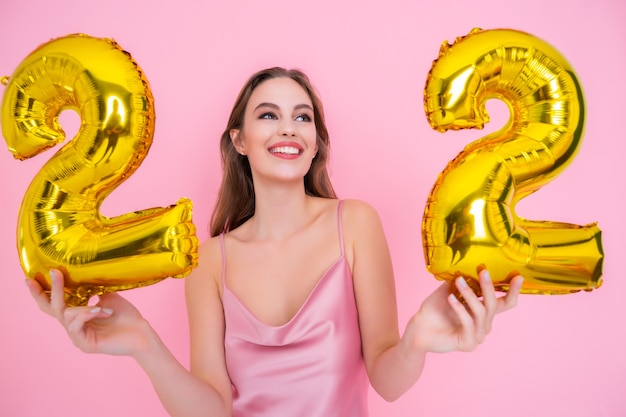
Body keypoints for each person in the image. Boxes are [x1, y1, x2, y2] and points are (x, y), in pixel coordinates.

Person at [27, 67, 524, 417]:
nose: (289, 127)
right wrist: (143, 345)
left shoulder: (355, 224)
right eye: (268, 115)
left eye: (303, 117)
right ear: (239, 140)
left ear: (314, 143)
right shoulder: (208, 265)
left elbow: (388, 383)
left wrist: (417, 339)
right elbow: (211, 409)